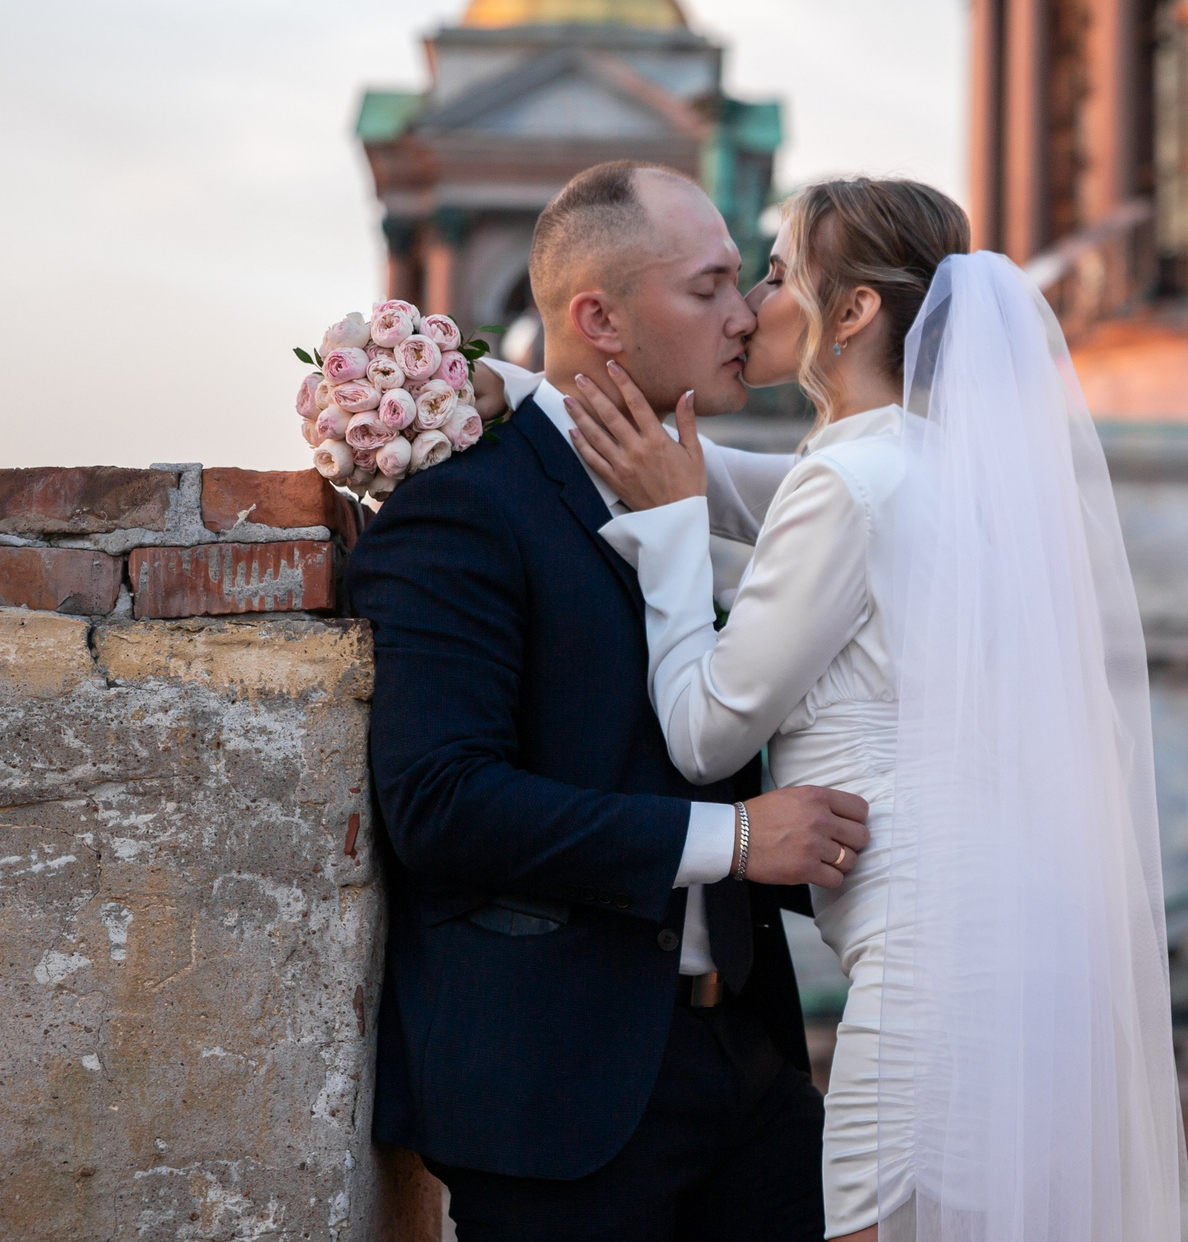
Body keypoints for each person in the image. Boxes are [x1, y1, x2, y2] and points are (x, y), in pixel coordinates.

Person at [540, 177, 1188, 1242]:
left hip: (927, 952)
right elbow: (746, 488)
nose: (753, 307)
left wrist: (664, 535)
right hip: (1003, 935)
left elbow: (706, 729)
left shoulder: (852, 483)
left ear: (851, 314)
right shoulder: (932, 465)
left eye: (781, 274)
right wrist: (524, 395)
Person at [351, 161, 874, 1242]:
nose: (749, 315)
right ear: (600, 317)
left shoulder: (688, 479)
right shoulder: (461, 514)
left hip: (749, 1061)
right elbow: (441, 801)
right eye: (711, 286)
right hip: (559, 1098)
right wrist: (732, 841)